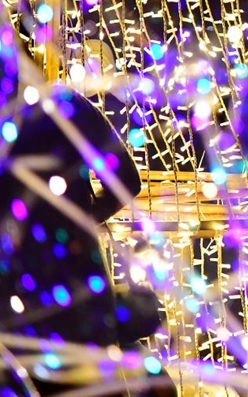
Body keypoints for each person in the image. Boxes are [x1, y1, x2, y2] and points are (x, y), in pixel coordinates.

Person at [0, 43, 173, 395]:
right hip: (78, 286)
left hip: (15, 296)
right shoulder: (64, 106)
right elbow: (126, 181)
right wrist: (81, 221)